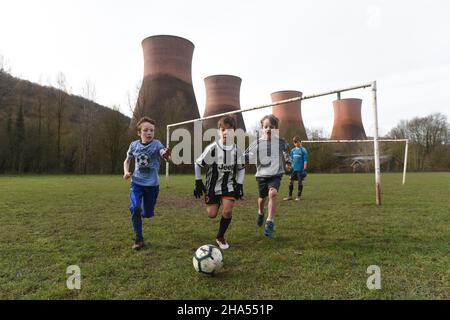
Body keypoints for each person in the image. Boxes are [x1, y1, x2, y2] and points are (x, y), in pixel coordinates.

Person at [194, 116, 245, 250]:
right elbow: (198, 164)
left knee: (227, 211)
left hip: (228, 186)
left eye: (229, 130)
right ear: (218, 132)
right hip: (212, 187)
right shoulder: (212, 149)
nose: (225, 132)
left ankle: (220, 236)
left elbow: (241, 169)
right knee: (212, 214)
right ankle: (216, 203)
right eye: (222, 129)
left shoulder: (237, 151)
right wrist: (198, 181)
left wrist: (239, 184)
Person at [123, 117, 171, 250]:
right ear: (139, 133)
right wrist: (126, 172)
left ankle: (144, 213)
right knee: (135, 208)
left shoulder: (157, 144)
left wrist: (166, 154)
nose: (149, 133)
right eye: (146, 130)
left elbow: (164, 155)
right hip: (136, 183)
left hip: (152, 185)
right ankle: (138, 239)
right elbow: (127, 161)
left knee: (148, 213)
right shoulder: (133, 145)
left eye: (152, 130)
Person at [244, 114, 290, 237]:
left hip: (276, 173)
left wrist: (288, 162)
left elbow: (287, 151)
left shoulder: (281, 142)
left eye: (272, 126)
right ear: (262, 128)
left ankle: (270, 221)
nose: (269, 129)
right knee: (262, 198)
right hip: (261, 175)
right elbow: (247, 155)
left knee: (273, 193)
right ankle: (260, 211)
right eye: (266, 126)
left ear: (276, 128)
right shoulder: (257, 142)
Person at [284, 136, 308, 201]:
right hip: (293, 169)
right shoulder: (293, 150)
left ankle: (298, 197)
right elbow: (291, 160)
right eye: (295, 142)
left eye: (297, 142)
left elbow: (305, 160)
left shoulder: (303, 150)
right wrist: (289, 168)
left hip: (300, 170)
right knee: (291, 182)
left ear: (300, 142)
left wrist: (304, 169)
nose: (296, 144)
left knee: (300, 182)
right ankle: (290, 196)